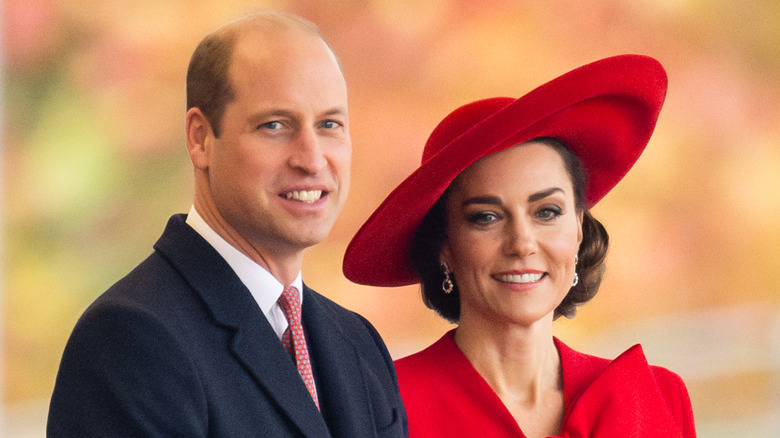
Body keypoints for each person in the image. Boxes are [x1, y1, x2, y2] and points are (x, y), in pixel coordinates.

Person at [48, 11, 407, 437]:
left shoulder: (357, 342)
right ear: (200, 138)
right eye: (275, 125)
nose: (312, 159)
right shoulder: (131, 338)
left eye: (329, 124)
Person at [343, 54, 696, 437]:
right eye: (486, 217)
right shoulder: (381, 409)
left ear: (578, 229)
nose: (522, 243)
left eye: (547, 212)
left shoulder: (656, 398)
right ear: (444, 244)